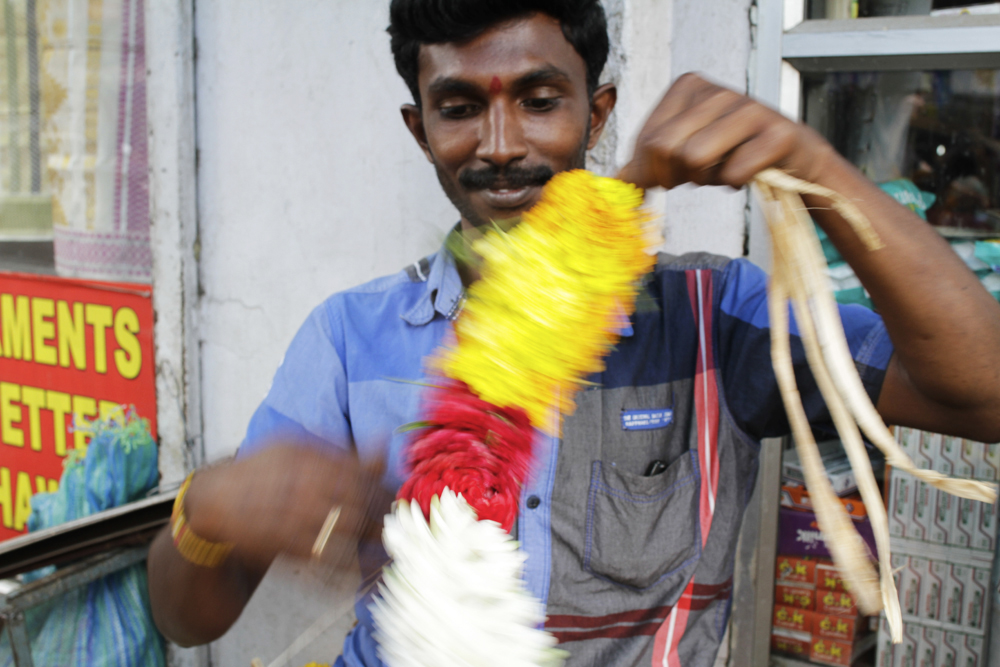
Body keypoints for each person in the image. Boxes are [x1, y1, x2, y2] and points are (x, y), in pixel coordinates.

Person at [146, 1, 1000, 666]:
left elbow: (984, 393)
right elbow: (188, 620)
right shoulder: (347, 339)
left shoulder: (719, 315)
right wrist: (210, 510)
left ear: (598, 115)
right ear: (420, 130)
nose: (502, 146)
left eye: (540, 100)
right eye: (457, 107)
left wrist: (816, 170)